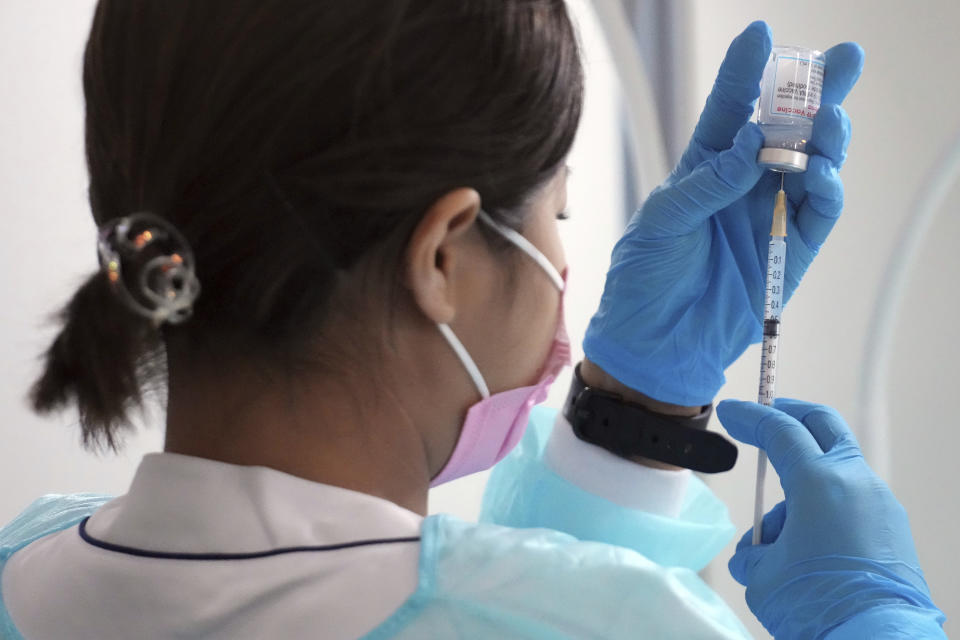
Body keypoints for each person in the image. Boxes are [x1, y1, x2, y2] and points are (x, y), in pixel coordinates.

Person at [0, 2, 946, 638]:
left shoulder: (23, 566)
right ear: (444, 254)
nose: (565, 260)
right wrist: (878, 617)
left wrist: (639, 409)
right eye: (558, 215)